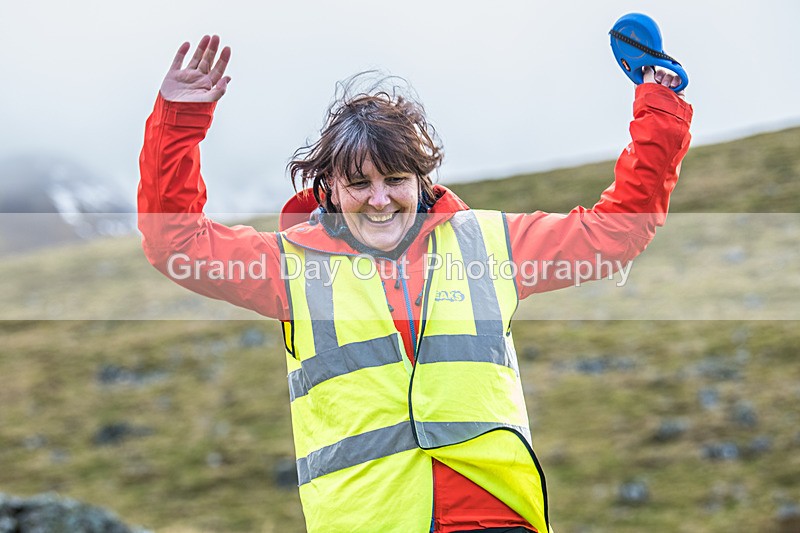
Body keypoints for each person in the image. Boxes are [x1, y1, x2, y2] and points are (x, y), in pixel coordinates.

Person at [138, 35, 692, 533]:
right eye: (359, 184)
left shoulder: (489, 244)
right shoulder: (289, 267)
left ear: (422, 178)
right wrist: (180, 121)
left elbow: (614, 233)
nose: (380, 200)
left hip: (492, 517)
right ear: (328, 186)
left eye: (396, 180)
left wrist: (659, 114)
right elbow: (175, 243)